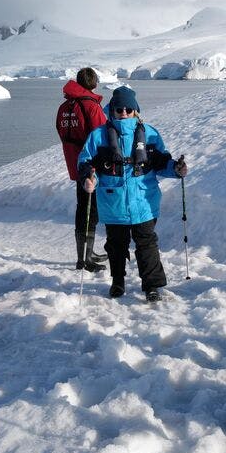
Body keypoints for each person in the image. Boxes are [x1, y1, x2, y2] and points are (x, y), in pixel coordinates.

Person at [78, 86, 188, 303]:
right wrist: (88, 179)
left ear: (136, 110)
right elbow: (86, 162)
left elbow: (161, 162)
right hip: (113, 202)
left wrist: (176, 169)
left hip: (144, 201)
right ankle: (118, 281)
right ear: (113, 110)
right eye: (119, 109)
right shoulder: (98, 136)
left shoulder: (150, 133)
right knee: (116, 244)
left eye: (129, 109)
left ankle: (152, 285)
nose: (124, 113)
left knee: (147, 243)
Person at [57, 67, 108, 273]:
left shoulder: (64, 106)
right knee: (90, 210)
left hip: (74, 162)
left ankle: (87, 253)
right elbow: (101, 137)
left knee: (83, 206)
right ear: (93, 83)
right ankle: (84, 259)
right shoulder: (91, 106)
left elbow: (61, 132)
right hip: (90, 165)